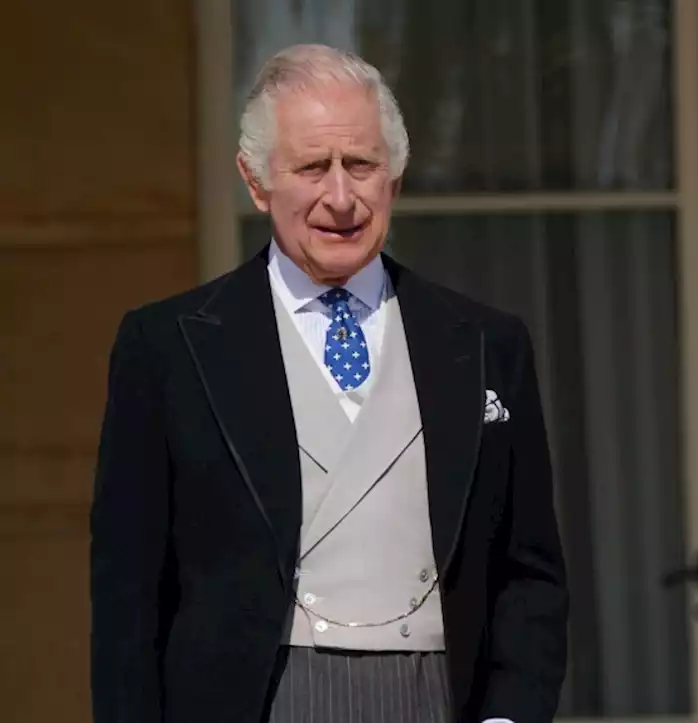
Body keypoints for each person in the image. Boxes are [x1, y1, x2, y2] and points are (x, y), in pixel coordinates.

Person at [90, 44, 568, 723]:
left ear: (394, 179)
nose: (341, 198)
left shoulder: (489, 343)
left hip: (436, 696)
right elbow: (127, 597)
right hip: (258, 699)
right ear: (257, 184)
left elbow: (529, 573)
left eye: (362, 165)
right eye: (313, 167)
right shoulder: (167, 346)